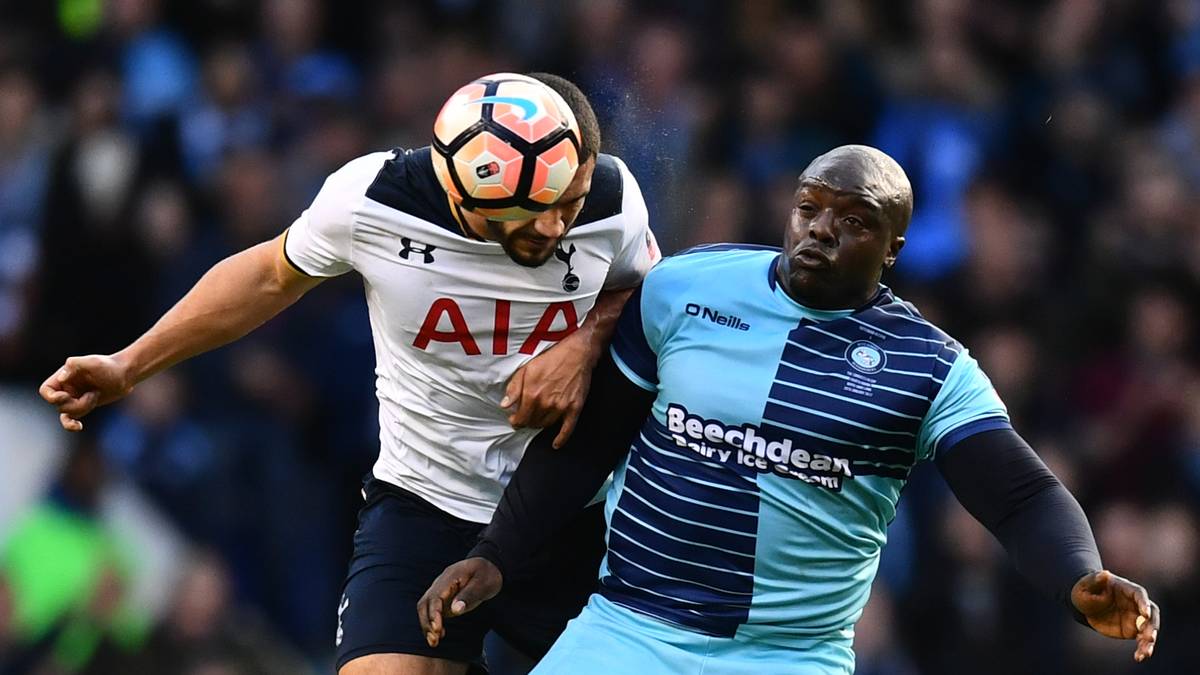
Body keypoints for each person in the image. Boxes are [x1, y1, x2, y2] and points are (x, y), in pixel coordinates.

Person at [418, 145, 1161, 674]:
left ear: (894, 246)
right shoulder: (685, 289)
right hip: (628, 628)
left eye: (854, 220)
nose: (821, 230)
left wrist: (1078, 574)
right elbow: (587, 443)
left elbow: (1021, 493)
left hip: (788, 654)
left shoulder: (929, 366)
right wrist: (496, 553)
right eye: (809, 208)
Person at [39, 73, 660, 675]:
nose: (554, 226)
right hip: (426, 503)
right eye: (531, 215)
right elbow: (267, 276)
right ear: (462, 198)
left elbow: (652, 296)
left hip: (569, 513)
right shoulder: (374, 202)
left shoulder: (606, 197)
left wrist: (586, 340)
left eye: (563, 206)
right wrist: (129, 364)